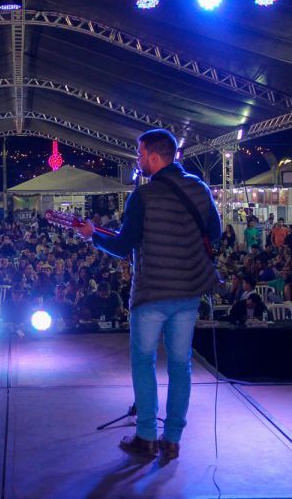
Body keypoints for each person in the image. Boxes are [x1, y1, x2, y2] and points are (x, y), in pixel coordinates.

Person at [76, 128, 220, 463]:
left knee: (144, 362)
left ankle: (145, 436)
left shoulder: (143, 196)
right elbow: (213, 232)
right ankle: (172, 440)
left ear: (154, 157)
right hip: (188, 292)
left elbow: (122, 246)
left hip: (152, 292)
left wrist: (92, 235)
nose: (138, 160)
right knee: (181, 365)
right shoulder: (199, 189)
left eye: (140, 154)